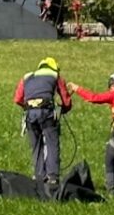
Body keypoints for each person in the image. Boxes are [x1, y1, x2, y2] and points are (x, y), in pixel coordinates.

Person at [13, 57, 73, 187]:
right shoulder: (55, 76)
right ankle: (52, 177)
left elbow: (18, 98)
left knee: (36, 146)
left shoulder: (27, 76)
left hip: (30, 115)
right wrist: (63, 109)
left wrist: (29, 107)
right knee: (51, 143)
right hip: (46, 114)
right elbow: (66, 102)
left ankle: (39, 176)